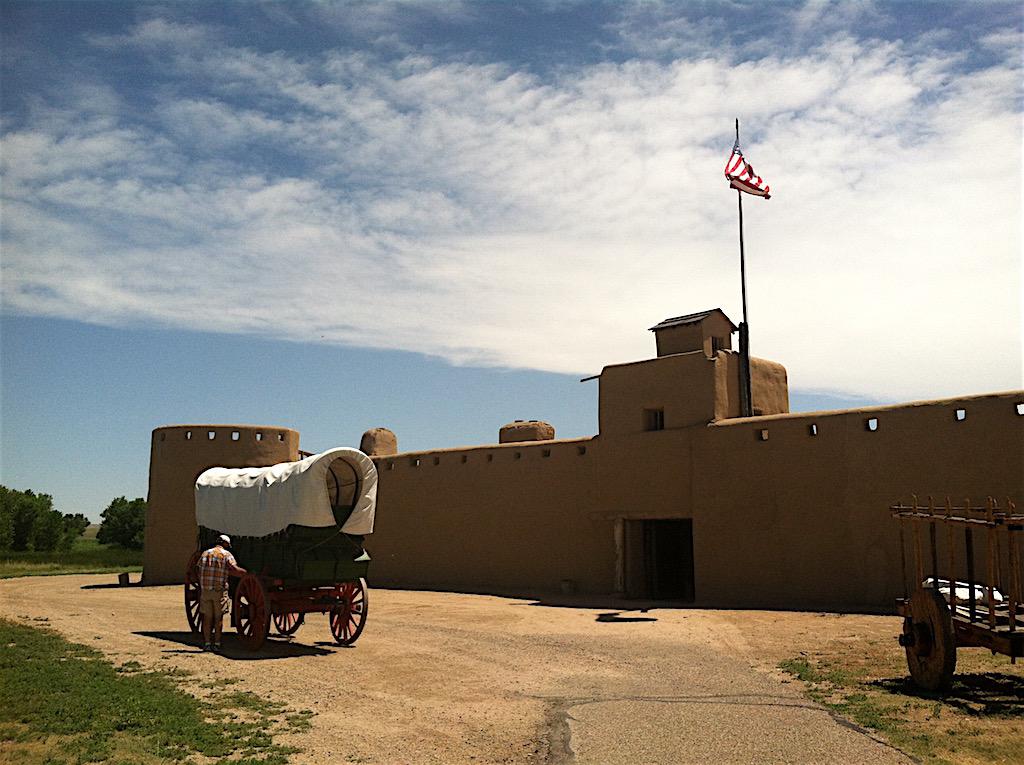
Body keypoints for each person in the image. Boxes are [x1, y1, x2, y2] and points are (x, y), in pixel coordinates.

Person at [198, 534, 246, 652]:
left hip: (206, 590)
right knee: (218, 618)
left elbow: (198, 569)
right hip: (219, 591)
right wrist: (246, 573)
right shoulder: (226, 555)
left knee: (207, 617)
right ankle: (217, 643)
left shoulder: (205, 554)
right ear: (225, 544)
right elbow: (234, 569)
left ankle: (207, 643)